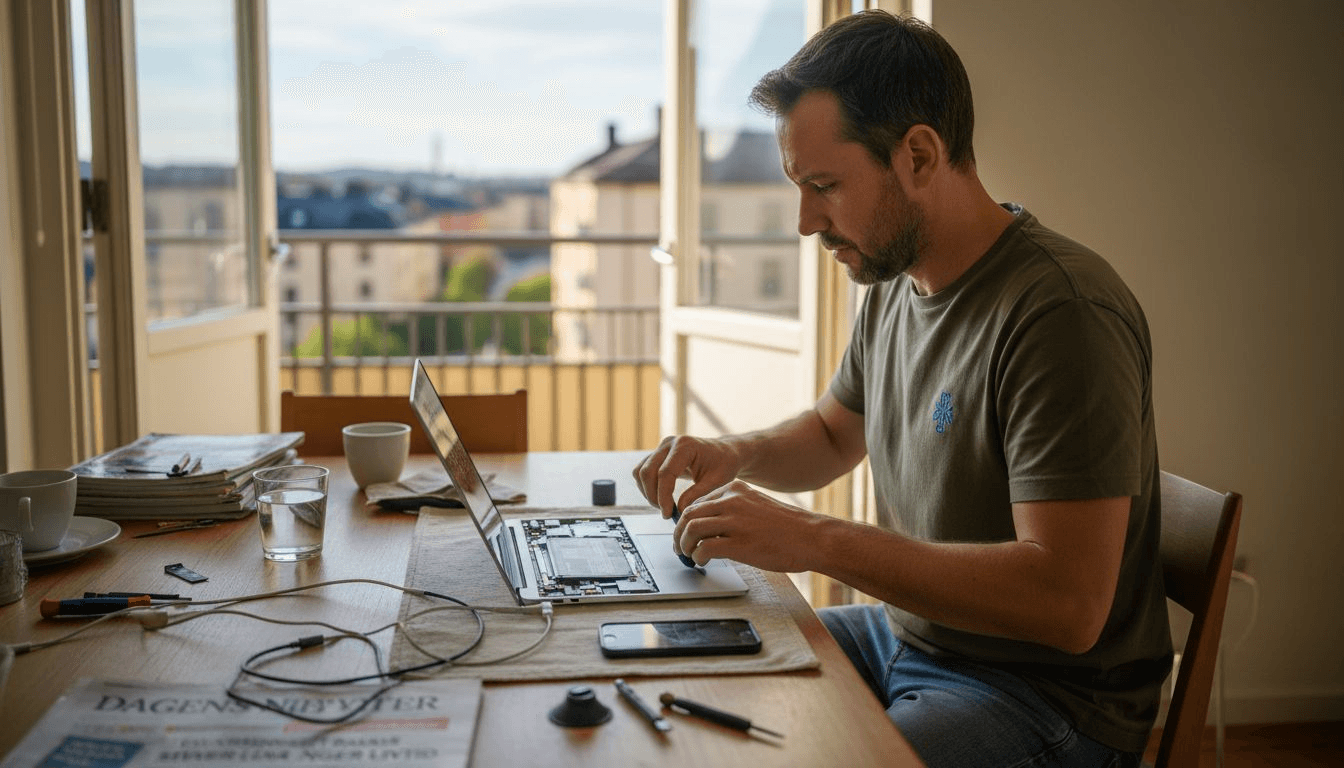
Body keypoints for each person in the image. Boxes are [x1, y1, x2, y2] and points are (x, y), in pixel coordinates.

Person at [632, 10, 1171, 768]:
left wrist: (817, 541)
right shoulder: (893, 280)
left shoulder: (1061, 312)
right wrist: (732, 452)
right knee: (688, 684)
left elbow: (1069, 603)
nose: (804, 221)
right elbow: (829, 435)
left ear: (919, 154)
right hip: (909, 635)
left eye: (825, 186)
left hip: (1042, 694)